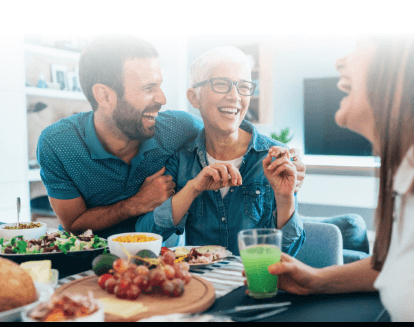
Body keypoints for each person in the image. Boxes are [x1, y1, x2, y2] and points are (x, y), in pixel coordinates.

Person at [37, 35, 307, 239]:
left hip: (161, 257)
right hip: (88, 254)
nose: (163, 99)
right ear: (105, 95)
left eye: (160, 85)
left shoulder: (179, 128)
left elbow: (226, 125)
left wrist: (285, 158)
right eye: (148, 88)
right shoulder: (58, 144)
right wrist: (136, 204)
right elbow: (73, 226)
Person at [256, 37, 414, 323]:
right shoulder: (406, 180)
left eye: (358, 46)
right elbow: (392, 265)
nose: (339, 62)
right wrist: (315, 279)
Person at [135, 46, 306, 256]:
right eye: (221, 84)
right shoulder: (181, 159)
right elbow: (145, 235)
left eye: (243, 86)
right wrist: (192, 188)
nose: (235, 96)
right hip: (202, 284)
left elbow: (288, 252)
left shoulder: (274, 158)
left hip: (254, 284)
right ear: (194, 97)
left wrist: (285, 197)